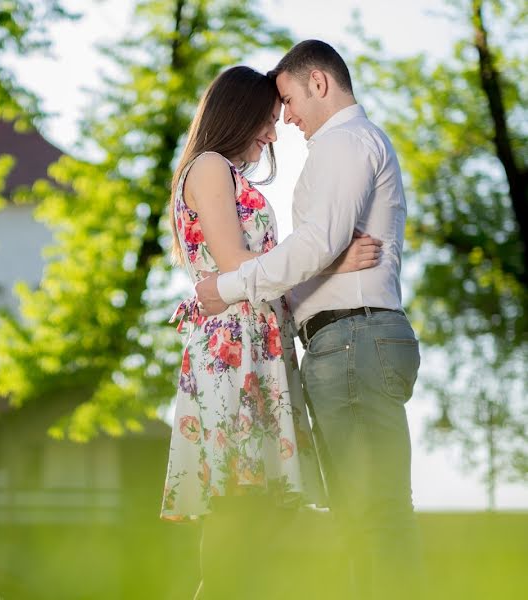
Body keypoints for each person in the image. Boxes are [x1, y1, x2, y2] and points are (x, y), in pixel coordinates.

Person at [194, 40, 422, 600]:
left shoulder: (343, 143)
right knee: (361, 511)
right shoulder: (340, 146)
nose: (286, 121)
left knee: (371, 511)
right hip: (342, 343)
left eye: (288, 103)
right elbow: (322, 249)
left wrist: (224, 288)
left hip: (352, 339)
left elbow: (318, 242)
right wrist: (328, 260)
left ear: (318, 83)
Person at [159, 64, 382, 599]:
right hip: (234, 354)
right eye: (266, 116)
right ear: (238, 114)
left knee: (265, 509)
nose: (275, 128)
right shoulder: (210, 166)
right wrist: (334, 261)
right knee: (241, 507)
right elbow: (237, 264)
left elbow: (257, 273)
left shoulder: (228, 173)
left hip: (257, 350)